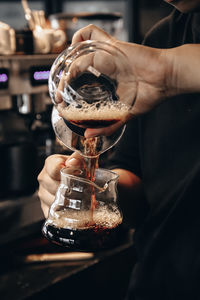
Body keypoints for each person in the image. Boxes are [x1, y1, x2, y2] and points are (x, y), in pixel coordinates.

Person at [38, 0, 200, 299]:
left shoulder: (162, 57)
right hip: (158, 284)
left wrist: (170, 70)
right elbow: (141, 184)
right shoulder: (163, 37)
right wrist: (95, 191)